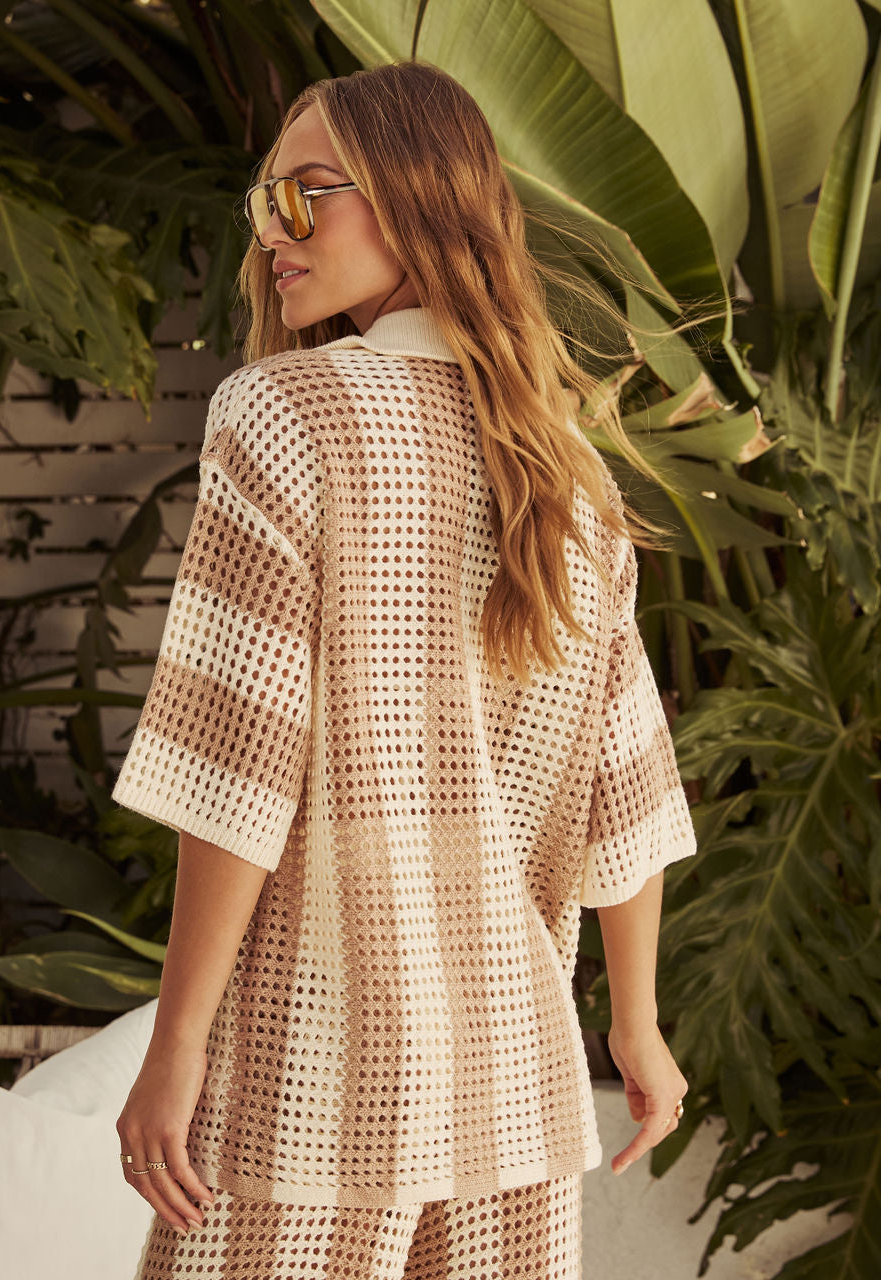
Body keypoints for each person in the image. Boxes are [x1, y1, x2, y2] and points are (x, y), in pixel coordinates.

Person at [110, 59, 695, 1280]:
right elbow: (624, 785)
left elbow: (237, 765)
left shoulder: (285, 415)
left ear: (418, 196)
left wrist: (178, 1042)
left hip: (312, 1068)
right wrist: (635, 1025)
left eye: (305, 195)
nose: (273, 232)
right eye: (264, 202)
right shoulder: (570, 469)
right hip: (512, 1079)